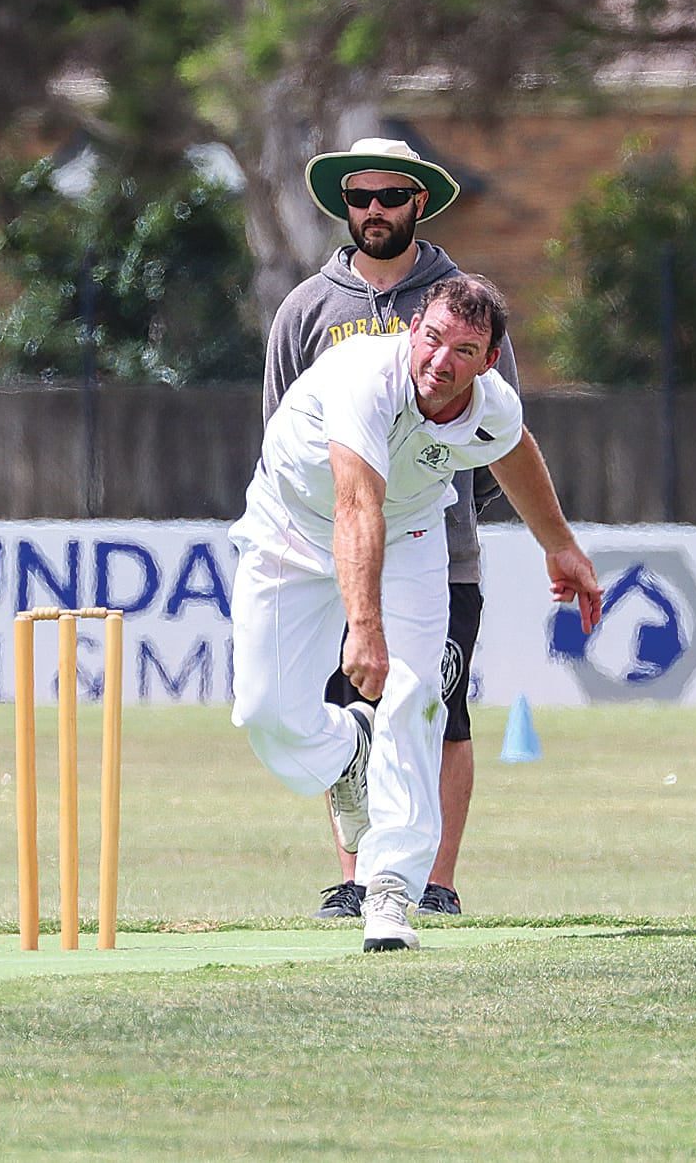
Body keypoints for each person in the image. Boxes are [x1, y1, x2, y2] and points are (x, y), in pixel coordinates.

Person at [230, 273, 602, 951]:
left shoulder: (487, 402)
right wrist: (363, 628)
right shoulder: (362, 379)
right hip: (291, 525)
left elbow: (512, 446)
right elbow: (353, 504)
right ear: (411, 331)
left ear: (488, 362)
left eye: (464, 350)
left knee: (414, 696)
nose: (441, 361)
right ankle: (347, 751)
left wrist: (560, 545)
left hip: (410, 536)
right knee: (264, 713)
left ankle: (390, 890)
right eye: (432, 338)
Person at [265, 136, 570, 920]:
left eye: (389, 197)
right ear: (344, 206)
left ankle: (432, 877)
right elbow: (281, 430)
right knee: (351, 699)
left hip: (436, 544)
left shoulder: (457, 297)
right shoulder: (307, 308)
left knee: (436, 707)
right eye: (358, 198)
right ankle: (361, 876)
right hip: (330, 539)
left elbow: (500, 431)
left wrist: (473, 518)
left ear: (418, 204)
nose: (373, 211)